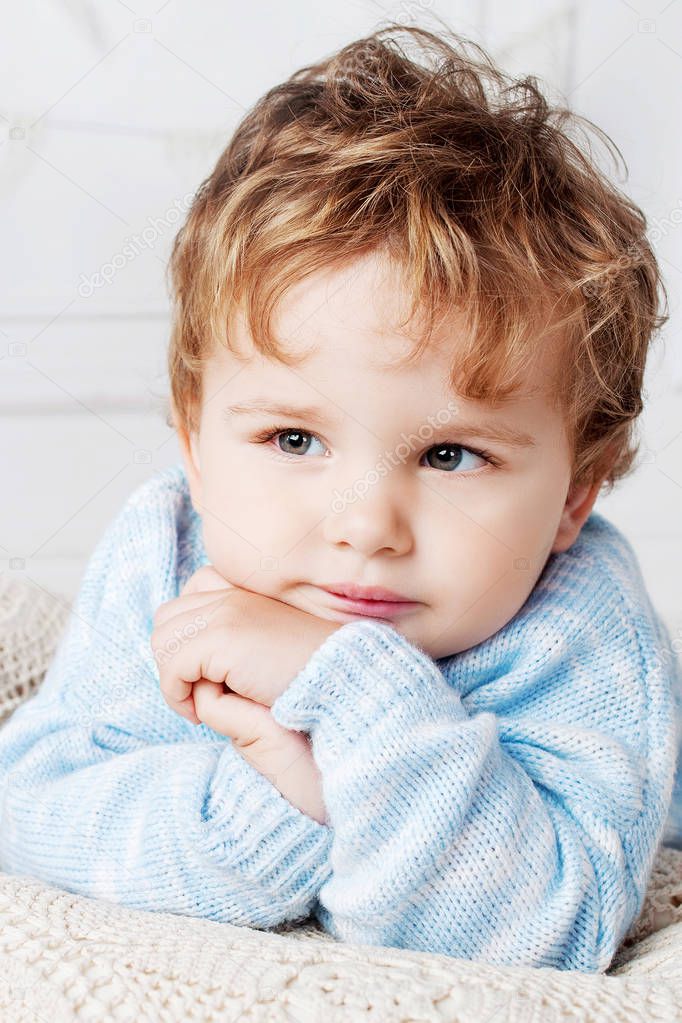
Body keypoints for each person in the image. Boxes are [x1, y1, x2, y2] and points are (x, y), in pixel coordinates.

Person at [1, 22, 680, 974]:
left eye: (450, 454)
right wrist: (274, 804)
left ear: (574, 495)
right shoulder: (165, 550)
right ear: (194, 444)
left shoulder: (581, 629)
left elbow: (546, 929)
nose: (364, 526)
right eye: (293, 439)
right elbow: (33, 810)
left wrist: (348, 700)